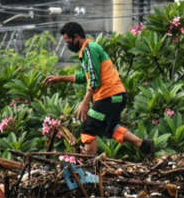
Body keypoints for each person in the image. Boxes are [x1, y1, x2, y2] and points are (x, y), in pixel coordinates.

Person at [45, 22, 154, 158]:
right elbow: (84, 76)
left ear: (76, 37)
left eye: (68, 41)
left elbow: (94, 79)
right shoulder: (88, 51)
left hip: (109, 95)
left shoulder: (89, 49)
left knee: (89, 127)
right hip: (117, 96)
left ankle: (89, 164)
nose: (68, 45)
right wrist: (60, 78)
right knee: (110, 128)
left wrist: (85, 102)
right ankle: (144, 145)